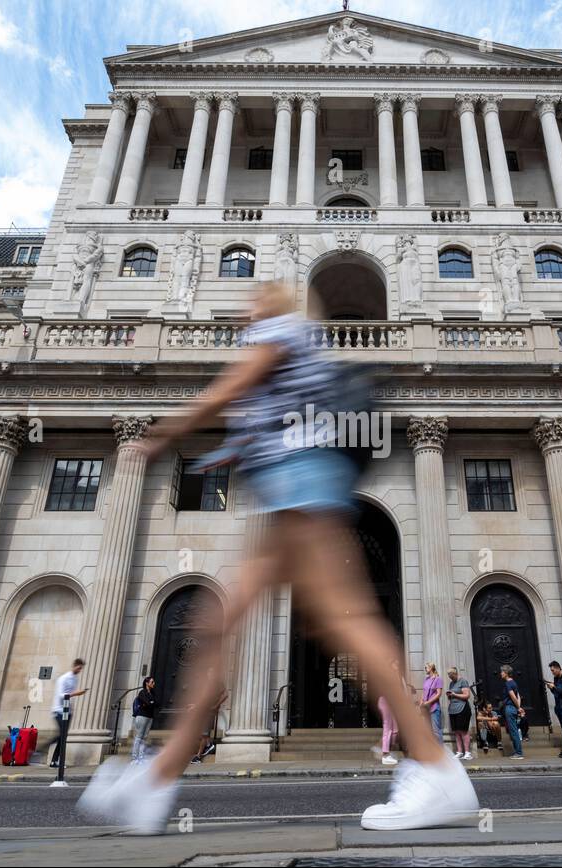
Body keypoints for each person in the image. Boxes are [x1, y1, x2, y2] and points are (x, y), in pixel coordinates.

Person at [79, 281, 478, 833]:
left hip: (302, 485)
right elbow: (258, 414)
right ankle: (156, 779)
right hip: (291, 487)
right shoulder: (290, 345)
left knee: (345, 624)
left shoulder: (279, 331)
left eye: (254, 298)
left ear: (273, 303)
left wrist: (163, 433)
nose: (246, 307)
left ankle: (436, 767)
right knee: (227, 622)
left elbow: (228, 389)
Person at [51, 659, 88, 768]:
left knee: (63, 736)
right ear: (74, 666)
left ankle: (55, 761)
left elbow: (69, 695)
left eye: (81, 668)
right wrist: (76, 693)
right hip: (58, 710)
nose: (80, 670)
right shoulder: (63, 678)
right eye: (79, 668)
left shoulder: (75, 678)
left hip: (67, 710)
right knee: (62, 736)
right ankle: (55, 758)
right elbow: (61, 695)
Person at [377, 657, 412, 766]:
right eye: (395, 664)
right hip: (386, 701)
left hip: (392, 704)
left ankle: (386, 750)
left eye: (398, 664)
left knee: (395, 730)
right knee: (388, 727)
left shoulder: (397, 676)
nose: (397, 666)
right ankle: (385, 754)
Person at [446, 667, 473, 760]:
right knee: (457, 731)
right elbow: (452, 696)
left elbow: (467, 695)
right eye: (449, 676)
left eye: (451, 675)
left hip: (463, 708)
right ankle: (460, 752)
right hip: (453, 709)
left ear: (455, 673)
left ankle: (468, 753)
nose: (450, 677)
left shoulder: (463, 681)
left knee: (463, 731)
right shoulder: (451, 683)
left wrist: (454, 694)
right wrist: (450, 696)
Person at [499, 664, 524, 759]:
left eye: (502, 672)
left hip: (510, 708)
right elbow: (518, 696)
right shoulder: (514, 682)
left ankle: (518, 753)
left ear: (506, 673)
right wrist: (519, 707)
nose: (501, 673)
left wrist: (519, 708)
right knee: (514, 730)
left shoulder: (508, 683)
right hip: (513, 708)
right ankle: (518, 752)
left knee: (513, 731)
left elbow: (513, 696)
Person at [131, 676, 157, 762]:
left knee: (144, 737)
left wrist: (150, 702)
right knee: (139, 737)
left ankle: (141, 756)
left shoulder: (152, 693)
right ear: (147, 683)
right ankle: (134, 757)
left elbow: (157, 703)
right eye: (152, 682)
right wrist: (150, 703)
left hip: (149, 717)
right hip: (142, 716)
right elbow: (147, 703)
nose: (154, 684)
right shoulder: (142, 692)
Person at [421, 663, 444, 743]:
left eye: (426, 667)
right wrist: (422, 701)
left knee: (436, 731)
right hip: (426, 708)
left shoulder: (438, 679)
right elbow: (424, 692)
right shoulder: (426, 679)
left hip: (434, 708)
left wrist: (428, 702)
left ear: (431, 668)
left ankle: (440, 753)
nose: (425, 669)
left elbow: (439, 694)